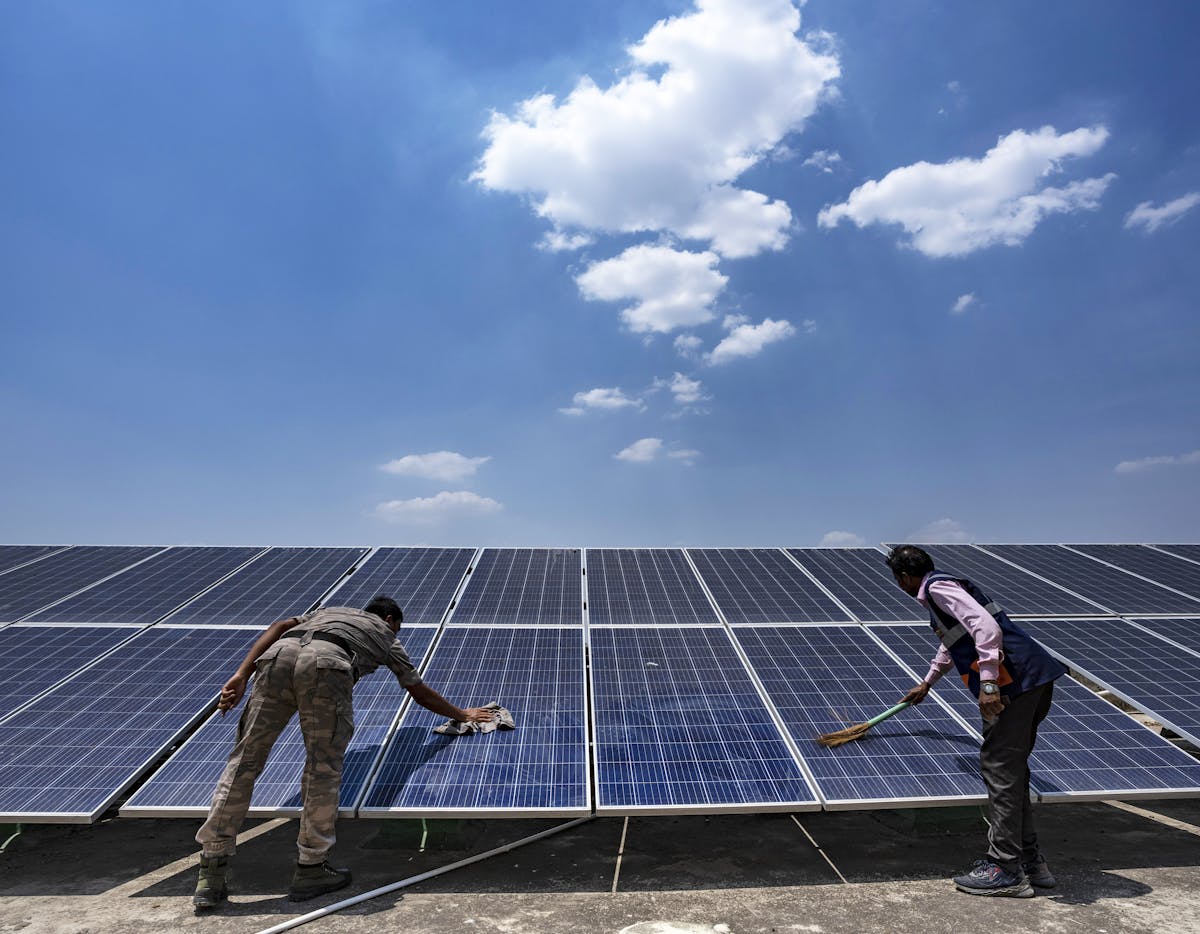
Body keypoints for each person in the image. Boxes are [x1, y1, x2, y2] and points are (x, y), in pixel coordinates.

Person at [192, 595, 493, 910]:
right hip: (327, 665)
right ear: (391, 619)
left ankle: (211, 871)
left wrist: (241, 674)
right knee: (322, 769)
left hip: (275, 658)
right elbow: (418, 691)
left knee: (244, 762)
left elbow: (280, 626)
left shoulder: (327, 612)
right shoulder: (386, 634)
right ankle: (310, 868)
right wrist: (462, 714)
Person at [887, 545, 1067, 898]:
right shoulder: (945, 591)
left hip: (1014, 684)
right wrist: (928, 682)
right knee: (1012, 773)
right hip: (1035, 680)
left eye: (897, 580)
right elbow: (956, 641)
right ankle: (1031, 863)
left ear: (905, 577)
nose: (899, 585)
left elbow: (984, 629)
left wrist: (988, 683)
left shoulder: (937, 588)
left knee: (999, 769)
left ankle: (1004, 869)